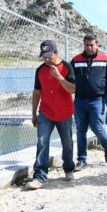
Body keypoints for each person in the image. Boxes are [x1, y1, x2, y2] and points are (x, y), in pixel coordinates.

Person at [26, 40, 77, 190]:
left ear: (56, 52)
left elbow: (72, 89)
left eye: (49, 56)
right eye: (43, 56)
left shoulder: (67, 67)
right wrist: (34, 113)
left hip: (64, 113)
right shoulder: (40, 70)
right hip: (45, 113)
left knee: (67, 144)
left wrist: (59, 77)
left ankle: (68, 168)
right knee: (42, 142)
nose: (46, 59)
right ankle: (39, 176)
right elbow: (37, 93)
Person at [71, 34, 107, 169]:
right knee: (80, 130)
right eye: (87, 45)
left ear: (97, 45)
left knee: (97, 126)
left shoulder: (105, 59)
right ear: (84, 45)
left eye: (92, 45)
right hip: (79, 100)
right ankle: (81, 159)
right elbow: (70, 79)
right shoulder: (76, 60)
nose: (89, 48)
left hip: (97, 100)